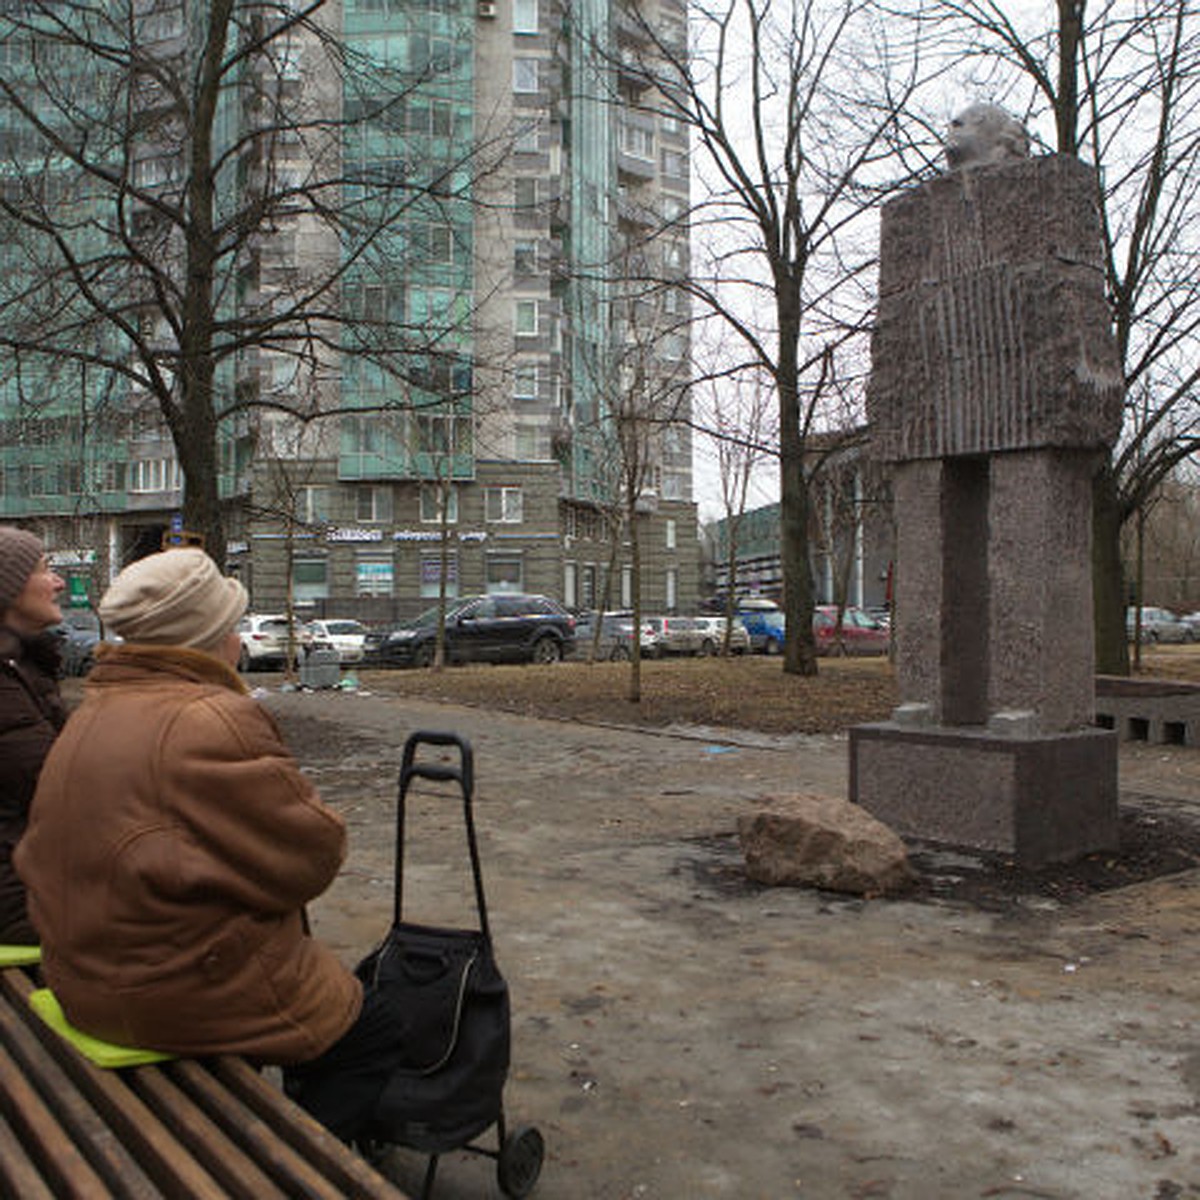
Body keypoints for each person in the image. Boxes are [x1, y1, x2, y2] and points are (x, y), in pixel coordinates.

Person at [16, 547, 410, 1140]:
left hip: (85, 974)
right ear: (206, 637)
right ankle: (298, 1166)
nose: (237, 636)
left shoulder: (96, 709)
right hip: (168, 992)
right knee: (374, 1026)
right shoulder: (210, 719)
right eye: (231, 623)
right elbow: (312, 859)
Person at [0, 527, 67, 944]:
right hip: (18, 893)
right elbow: (60, 786)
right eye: (45, 570)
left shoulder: (22, 667)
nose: (59, 582)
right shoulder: (5, 682)